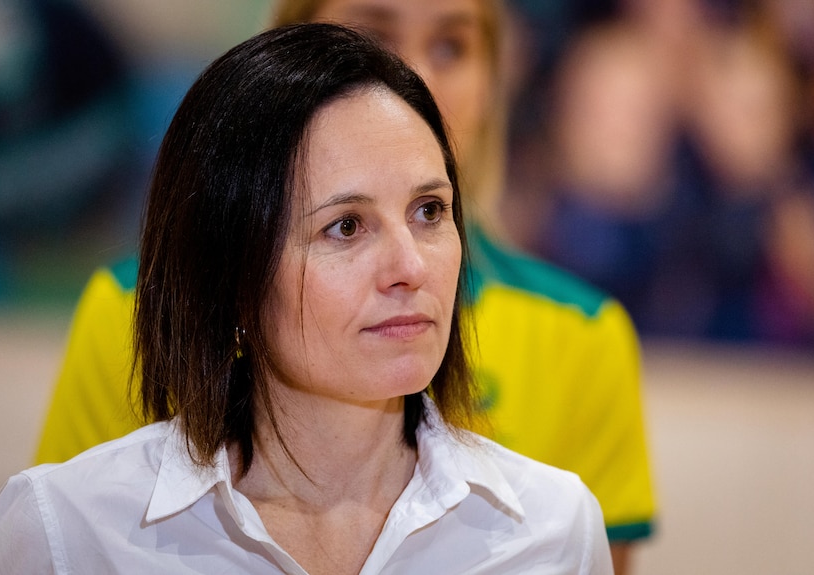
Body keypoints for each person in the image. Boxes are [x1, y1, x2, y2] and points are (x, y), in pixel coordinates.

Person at [33, 1, 655, 570]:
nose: (409, 266)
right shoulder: (64, 522)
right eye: (346, 226)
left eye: (430, 211)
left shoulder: (557, 522)